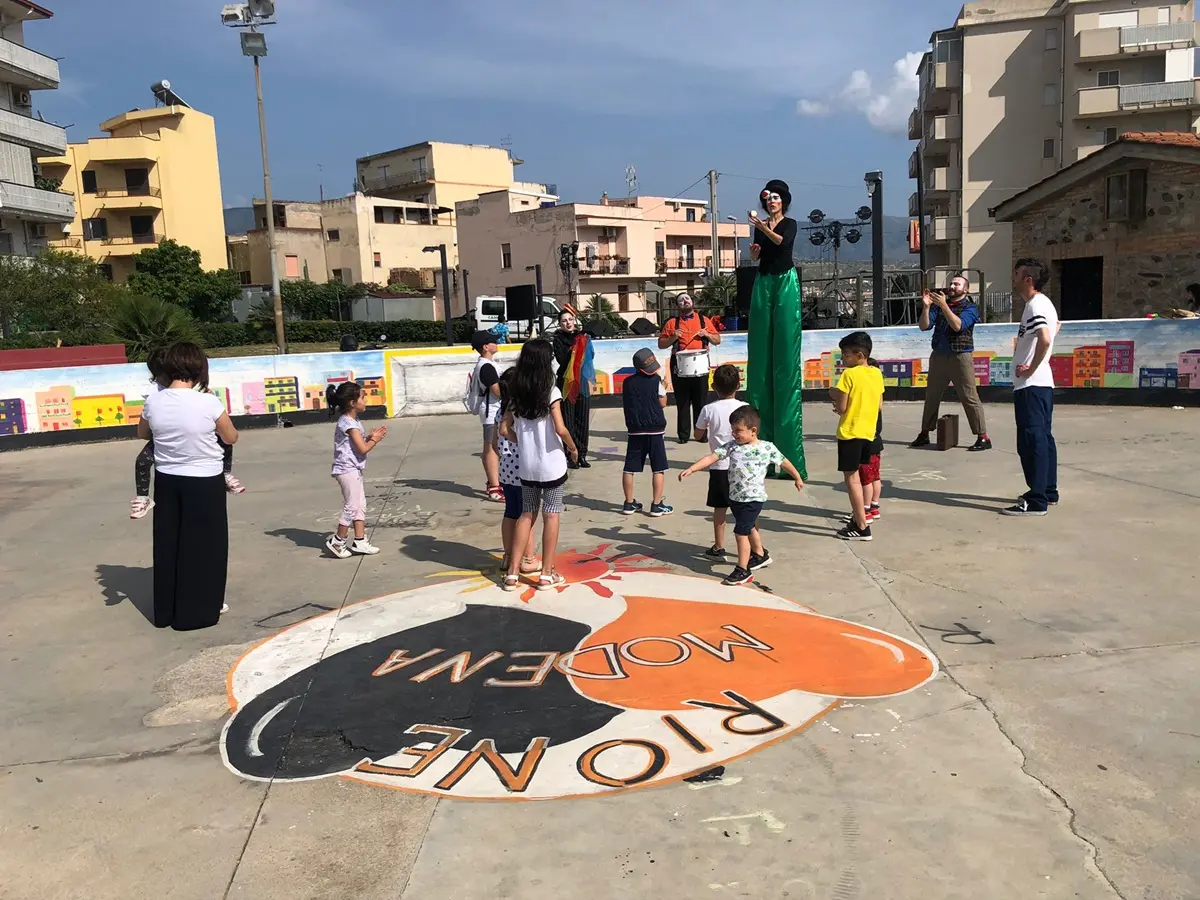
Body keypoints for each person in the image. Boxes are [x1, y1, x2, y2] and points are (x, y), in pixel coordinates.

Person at [137, 342, 238, 630]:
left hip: (168, 479)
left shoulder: (154, 402)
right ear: (198, 369)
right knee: (205, 548)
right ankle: (198, 612)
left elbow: (142, 433)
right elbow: (230, 437)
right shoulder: (208, 402)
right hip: (205, 480)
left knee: (170, 543)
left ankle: (166, 611)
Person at [680, 405, 803, 586]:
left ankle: (742, 569)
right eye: (732, 430)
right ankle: (760, 555)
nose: (734, 434)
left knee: (740, 532)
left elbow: (785, 463)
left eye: (738, 430)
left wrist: (797, 477)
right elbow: (711, 458)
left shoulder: (767, 448)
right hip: (736, 498)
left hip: (753, 499)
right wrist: (692, 468)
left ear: (753, 431)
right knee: (750, 526)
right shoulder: (732, 446)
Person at [131, 348, 244, 519]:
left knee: (222, 439)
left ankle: (226, 473)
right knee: (142, 460)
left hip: (187, 443)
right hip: (167, 437)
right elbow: (145, 431)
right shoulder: (154, 393)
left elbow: (229, 436)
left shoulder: (195, 390)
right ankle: (143, 496)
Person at [502, 339, 579, 592]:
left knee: (527, 514)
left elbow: (505, 429)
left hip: (527, 466)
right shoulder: (551, 391)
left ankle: (512, 574)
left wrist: (522, 442)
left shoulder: (516, 390)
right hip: (552, 465)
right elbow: (560, 428)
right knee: (552, 514)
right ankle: (546, 574)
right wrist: (572, 447)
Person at [747, 179, 807, 479]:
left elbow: (782, 243)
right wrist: (755, 249)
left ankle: (787, 453)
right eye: (767, 198)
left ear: (783, 200)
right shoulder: (760, 226)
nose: (771, 201)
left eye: (775, 197)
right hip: (764, 282)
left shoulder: (790, 224)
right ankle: (761, 449)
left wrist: (763, 228)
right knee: (760, 359)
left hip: (784, 282)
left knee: (784, 358)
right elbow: (759, 255)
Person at [1003, 259, 1060, 517]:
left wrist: (1030, 367)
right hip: (1040, 385)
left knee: (1031, 440)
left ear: (1028, 280)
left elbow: (1045, 338)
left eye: (1017, 274)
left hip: (1032, 385)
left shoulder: (1035, 304)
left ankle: (1037, 499)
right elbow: (1055, 328)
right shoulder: (1042, 304)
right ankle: (1047, 490)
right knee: (1043, 438)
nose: (1013, 277)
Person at [910, 275, 991, 451]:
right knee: (932, 395)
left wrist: (944, 305)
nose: (953, 286)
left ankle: (983, 436)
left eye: (957, 284)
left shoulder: (970, 308)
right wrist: (926, 307)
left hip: (960, 356)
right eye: (951, 283)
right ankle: (925, 433)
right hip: (939, 355)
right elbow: (924, 326)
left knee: (969, 396)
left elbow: (958, 325)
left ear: (966, 289)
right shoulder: (938, 307)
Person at [830, 331, 884, 542]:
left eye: (846, 355)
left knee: (851, 479)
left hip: (850, 432)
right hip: (869, 433)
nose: (844, 359)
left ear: (860, 354)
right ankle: (860, 517)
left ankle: (861, 525)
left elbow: (843, 407)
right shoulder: (876, 374)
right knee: (862, 478)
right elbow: (879, 405)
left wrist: (836, 402)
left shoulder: (849, 375)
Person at [325, 381, 387, 558]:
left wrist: (368, 437)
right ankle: (338, 541)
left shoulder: (352, 420)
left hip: (353, 468)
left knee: (360, 504)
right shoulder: (349, 423)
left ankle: (360, 541)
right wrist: (374, 439)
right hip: (346, 469)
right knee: (352, 506)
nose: (365, 400)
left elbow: (356, 442)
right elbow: (363, 448)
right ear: (352, 403)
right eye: (362, 397)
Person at [693, 363, 744, 559]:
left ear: (714, 387)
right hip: (741, 466)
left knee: (720, 508)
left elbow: (697, 435)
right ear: (738, 386)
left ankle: (719, 546)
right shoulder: (745, 408)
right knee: (744, 508)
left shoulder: (708, 409)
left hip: (719, 466)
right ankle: (754, 549)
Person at [658, 292, 721, 444]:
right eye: (681, 300)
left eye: (687, 299)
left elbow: (717, 340)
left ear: (692, 302)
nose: (685, 302)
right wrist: (673, 337)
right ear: (677, 305)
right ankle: (683, 435)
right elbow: (661, 344)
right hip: (679, 365)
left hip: (700, 365)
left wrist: (707, 334)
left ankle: (701, 434)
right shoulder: (672, 323)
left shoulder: (704, 320)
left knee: (701, 402)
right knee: (683, 402)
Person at [495, 368, 541, 577]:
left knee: (511, 512)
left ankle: (507, 555)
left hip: (505, 468)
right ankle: (528, 558)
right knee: (527, 515)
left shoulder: (500, 410)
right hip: (522, 466)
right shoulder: (519, 411)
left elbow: (495, 442)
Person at [621, 348, 673, 518]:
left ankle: (628, 503)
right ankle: (656, 505)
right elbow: (663, 403)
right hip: (655, 429)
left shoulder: (627, 382)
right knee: (658, 468)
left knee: (630, 468)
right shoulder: (656, 381)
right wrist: (664, 388)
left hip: (635, 429)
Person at [844, 358, 884, 526]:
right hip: (876, 443)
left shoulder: (866, 408)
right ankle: (874, 507)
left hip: (865, 441)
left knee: (865, 480)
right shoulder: (876, 405)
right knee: (875, 477)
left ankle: (864, 511)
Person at [552, 308, 594, 468]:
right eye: (564, 321)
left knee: (582, 418)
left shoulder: (583, 336)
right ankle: (571, 454)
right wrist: (574, 350)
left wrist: (585, 345)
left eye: (570, 319)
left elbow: (591, 357)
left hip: (581, 381)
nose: (568, 323)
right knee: (568, 418)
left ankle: (582, 454)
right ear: (560, 324)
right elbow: (562, 360)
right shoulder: (558, 339)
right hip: (566, 382)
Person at [469, 330, 503, 501]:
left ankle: (495, 482)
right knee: (490, 449)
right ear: (485, 347)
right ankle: (494, 487)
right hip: (492, 412)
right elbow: (497, 391)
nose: (497, 343)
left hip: (491, 411)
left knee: (492, 448)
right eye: (493, 341)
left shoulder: (486, 364)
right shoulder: (487, 367)